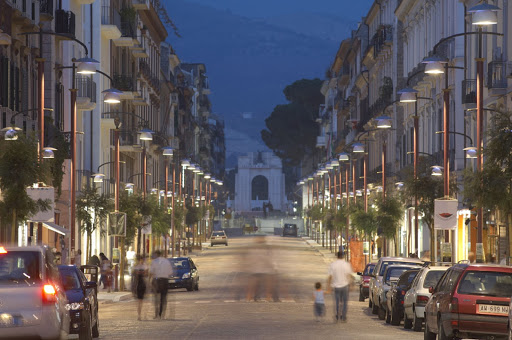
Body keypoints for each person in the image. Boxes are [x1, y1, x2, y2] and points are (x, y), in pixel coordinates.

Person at [327, 251, 353, 323]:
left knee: (337, 302)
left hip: (336, 286)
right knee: (345, 302)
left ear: (337, 256)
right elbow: (349, 275)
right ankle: (343, 316)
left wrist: (328, 286)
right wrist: (351, 285)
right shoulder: (346, 264)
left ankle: (337, 315)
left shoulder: (333, 265)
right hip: (345, 286)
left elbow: (330, 276)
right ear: (343, 256)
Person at [150, 250, 173, 319]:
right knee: (163, 298)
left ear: (156, 254)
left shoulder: (153, 262)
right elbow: (170, 272)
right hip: (165, 280)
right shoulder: (166, 261)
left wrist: (149, 281)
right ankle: (162, 314)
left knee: (156, 298)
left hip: (157, 280)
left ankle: (156, 314)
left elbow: (151, 272)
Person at [132, 255, 148, 320]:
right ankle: (139, 315)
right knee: (139, 301)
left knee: (141, 300)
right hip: (138, 284)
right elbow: (135, 274)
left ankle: (142, 315)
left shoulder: (144, 266)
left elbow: (146, 274)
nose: (141, 261)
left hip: (142, 284)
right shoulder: (136, 266)